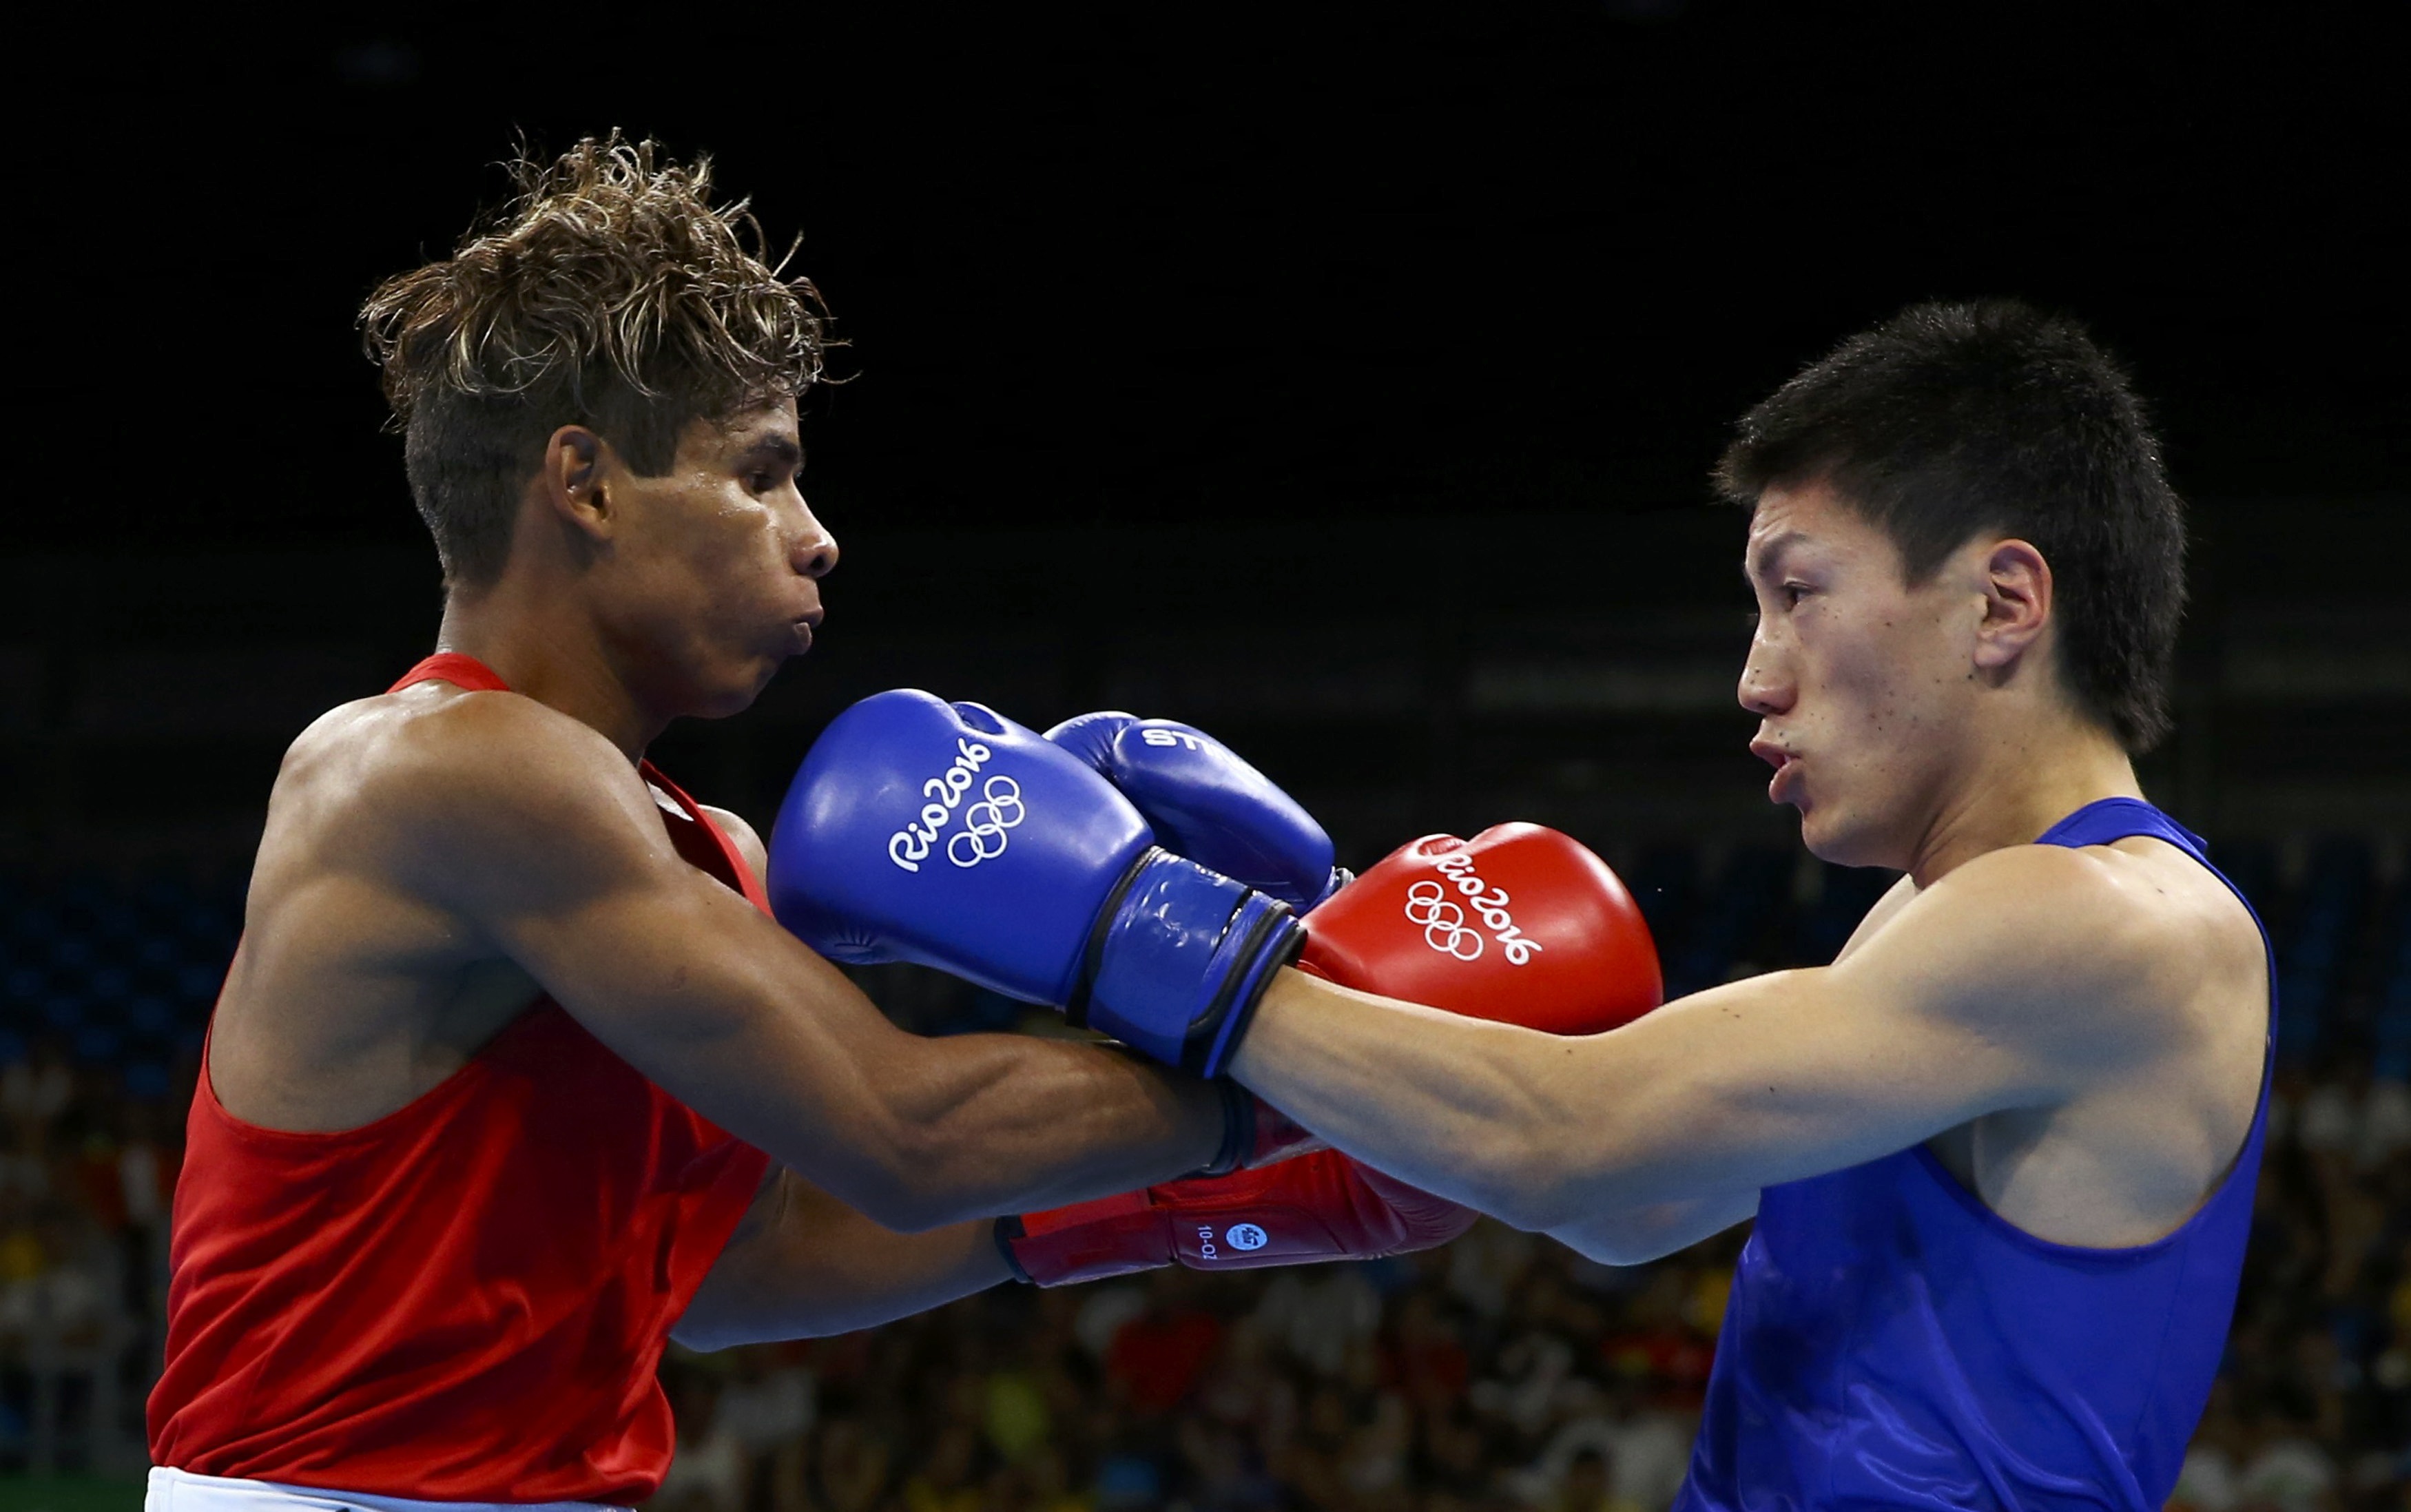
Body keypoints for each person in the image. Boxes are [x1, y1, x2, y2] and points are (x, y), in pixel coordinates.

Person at [144, 135, 1527, 1509]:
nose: (817, 536)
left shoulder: (699, 850)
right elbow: (906, 1133)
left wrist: (1178, 1196)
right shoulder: (436, 768)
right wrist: (1308, 1061)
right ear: (587, 484)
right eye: (759, 474)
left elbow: (745, 1265)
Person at [796, 301, 2270, 1508]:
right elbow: (1634, 1211)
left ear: (2003, 605)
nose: (1755, 678)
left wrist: (1144, 922)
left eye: (1797, 591)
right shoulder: (1933, 929)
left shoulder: (2116, 928)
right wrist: (1347, 977)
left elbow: (1573, 1139)